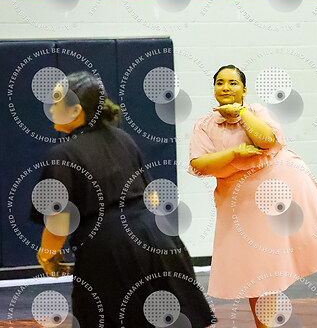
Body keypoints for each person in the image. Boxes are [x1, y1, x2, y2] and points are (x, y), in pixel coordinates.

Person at [31, 71, 215, 328]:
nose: (50, 108)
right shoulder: (124, 139)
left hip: (111, 251)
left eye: (56, 102)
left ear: (75, 111)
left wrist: (47, 255)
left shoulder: (63, 154)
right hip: (161, 238)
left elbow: (59, 220)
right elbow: (152, 196)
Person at [188, 65, 317, 327]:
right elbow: (201, 165)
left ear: (244, 90)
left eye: (233, 83)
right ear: (214, 88)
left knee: (268, 269)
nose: (226, 87)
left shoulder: (256, 112)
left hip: (276, 193)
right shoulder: (204, 125)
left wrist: (240, 113)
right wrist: (234, 153)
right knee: (257, 270)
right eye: (220, 83)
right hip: (238, 202)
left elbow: (267, 140)